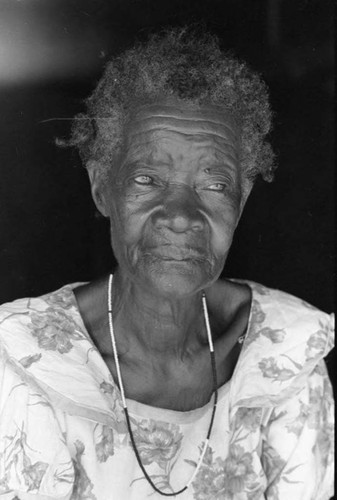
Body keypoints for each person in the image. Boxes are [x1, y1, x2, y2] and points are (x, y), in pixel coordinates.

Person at [0, 27, 334, 500]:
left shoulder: (284, 354)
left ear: (241, 202)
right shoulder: (23, 360)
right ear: (102, 188)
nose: (181, 216)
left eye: (215, 185)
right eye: (146, 178)